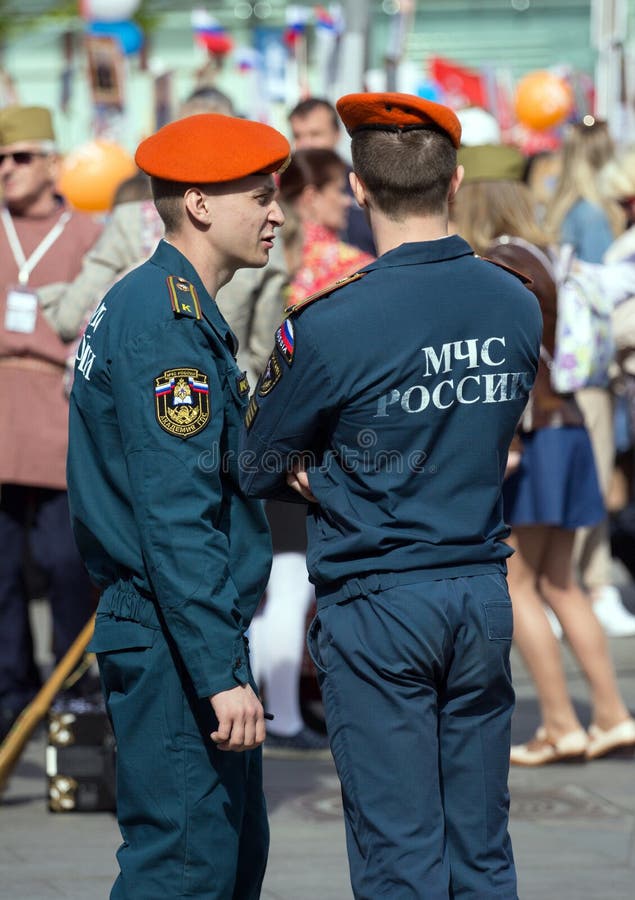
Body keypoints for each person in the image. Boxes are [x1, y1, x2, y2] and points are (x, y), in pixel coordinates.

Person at [242, 91, 542, 898]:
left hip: (380, 594)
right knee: (479, 849)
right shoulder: (513, 300)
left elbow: (257, 457)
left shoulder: (333, 321)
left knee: (398, 854)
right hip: (477, 585)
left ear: (359, 187)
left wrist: (327, 474)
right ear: (453, 185)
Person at [66, 113, 290, 898]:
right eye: (259, 196)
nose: (278, 214)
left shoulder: (166, 302)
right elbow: (174, 515)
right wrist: (219, 671)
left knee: (223, 861)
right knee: (186, 869)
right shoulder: (167, 321)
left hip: (177, 623)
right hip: (171, 628)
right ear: (197, 203)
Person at [452, 143, 635, 765]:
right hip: (569, 428)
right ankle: (609, 715)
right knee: (563, 583)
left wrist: (503, 440)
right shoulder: (544, 254)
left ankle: (560, 723)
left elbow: (512, 362)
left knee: (519, 583)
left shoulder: (502, 261)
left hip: (530, 437)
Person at [0, 105, 102, 740]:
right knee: (1, 571)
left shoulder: (87, 232)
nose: (7, 169)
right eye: (0, 160)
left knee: (66, 564)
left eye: (21, 157)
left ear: (53, 163)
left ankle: (73, 695)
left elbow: (96, 319)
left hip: (60, 417)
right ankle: (9, 695)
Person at [544, 118, 634, 635]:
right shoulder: (597, 214)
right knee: (594, 479)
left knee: (581, 476)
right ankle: (587, 585)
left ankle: (573, 583)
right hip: (594, 360)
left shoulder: (561, 206)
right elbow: (609, 291)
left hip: (566, 359)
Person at [278, 148, 375, 307]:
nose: (347, 201)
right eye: (340, 190)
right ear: (312, 197)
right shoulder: (355, 267)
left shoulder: (267, 254)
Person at [288, 96, 375, 255]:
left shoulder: (365, 183)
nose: (306, 144)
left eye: (315, 135)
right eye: (298, 136)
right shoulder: (284, 190)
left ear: (336, 134)